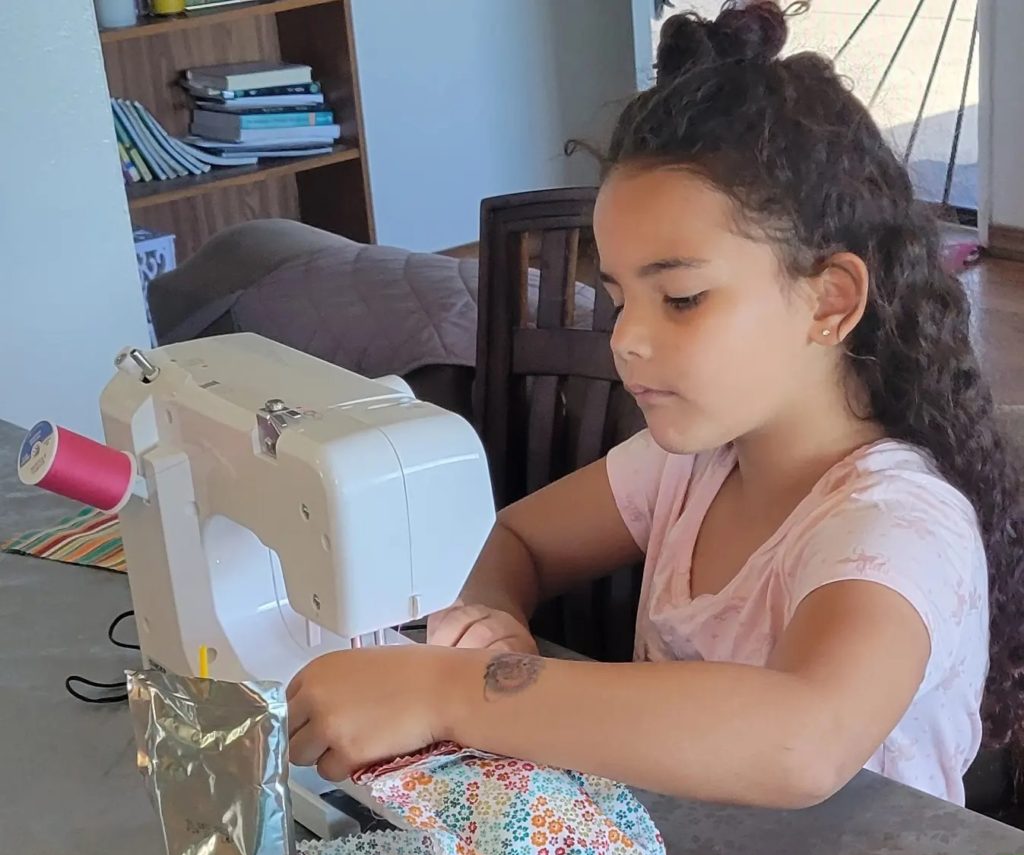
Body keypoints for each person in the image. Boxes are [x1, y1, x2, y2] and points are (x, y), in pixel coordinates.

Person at [287, 0, 1024, 808]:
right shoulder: (693, 469)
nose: (627, 339)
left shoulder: (897, 522)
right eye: (616, 299)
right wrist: (491, 622)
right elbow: (519, 540)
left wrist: (453, 692)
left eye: (679, 299)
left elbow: (804, 740)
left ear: (829, 301)